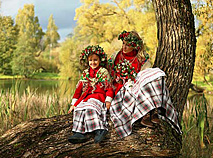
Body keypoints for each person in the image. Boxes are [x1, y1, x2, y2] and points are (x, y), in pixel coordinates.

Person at [108, 30, 181, 138]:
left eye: (128, 45)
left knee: (152, 77)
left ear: (135, 45)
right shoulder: (116, 56)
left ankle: (151, 112)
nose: (124, 47)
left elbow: (145, 76)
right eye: (123, 43)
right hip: (120, 85)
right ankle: (148, 113)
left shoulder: (142, 58)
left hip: (136, 83)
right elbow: (109, 74)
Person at [68, 45, 114, 144]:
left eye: (95, 60)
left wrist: (108, 101)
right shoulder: (85, 73)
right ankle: (78, 132)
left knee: (90, 108)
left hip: (98, 97)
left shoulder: (103, 72)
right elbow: (78, 90)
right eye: (90, 60)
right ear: (87, 62)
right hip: (86, 98)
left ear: (100, 60)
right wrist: (73, 104)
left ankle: (100, 129)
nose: (93, 62)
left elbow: (109, 89)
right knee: (79, 109)